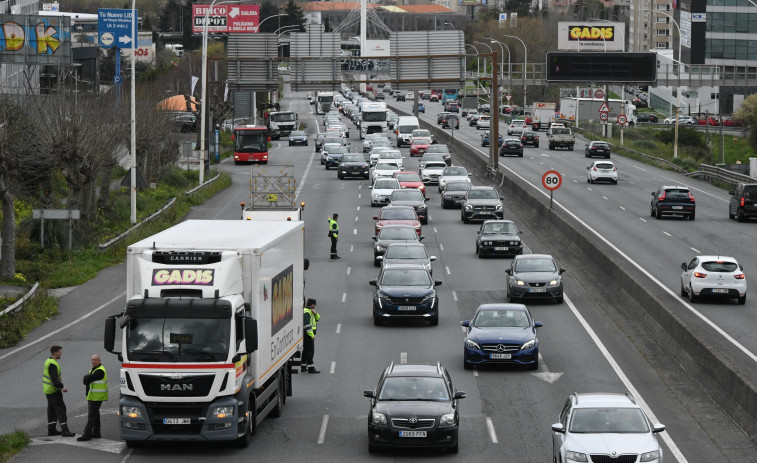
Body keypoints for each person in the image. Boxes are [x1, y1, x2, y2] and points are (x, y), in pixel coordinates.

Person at [43, 345, 75, 437]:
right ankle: (65, 431)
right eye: (60, 352)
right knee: (61, 409)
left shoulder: (48, 361)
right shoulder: (53, 364)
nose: (61, 354)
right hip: (53, 391)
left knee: (52, 410)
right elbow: (54, 379)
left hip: (48, 390)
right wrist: (62, 387)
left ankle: (52, 430)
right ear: (56, 352)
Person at [77, 354, 108, 441]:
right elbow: (86, 380)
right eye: (92, 360)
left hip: (96, 397)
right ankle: (96, 432)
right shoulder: (93, 370)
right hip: (93, 396)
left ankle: (87, 435)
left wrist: (86, 377)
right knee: (96, 415)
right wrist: (86, 378)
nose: (93, 361)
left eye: (96, 360)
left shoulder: (100, 371)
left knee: (91, 416)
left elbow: (86, 380)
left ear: (100, 361)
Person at [302, 298, 321, 374]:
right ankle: (311, 367)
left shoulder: (310, 311)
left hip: (307, 334)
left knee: (306, 350)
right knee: (310, 351)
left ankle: (303, 366)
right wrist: (312, 335)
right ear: (312, 304)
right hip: (308, 334)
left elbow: (318, 318)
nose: (315, 306)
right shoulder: (307, 312)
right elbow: (307, 326)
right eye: (315, 305)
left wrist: (315, 313)